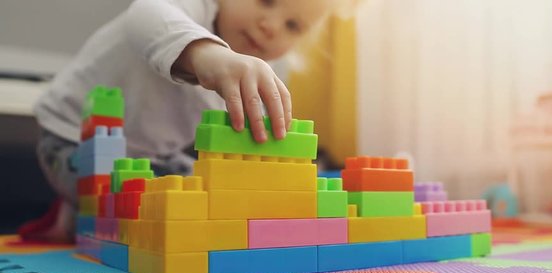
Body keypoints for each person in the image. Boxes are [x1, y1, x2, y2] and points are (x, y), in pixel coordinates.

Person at [22, 0, 355, 242]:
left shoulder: (259, 69)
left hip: (151, 157)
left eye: (292, 26)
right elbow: (147, 16)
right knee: (144, 211)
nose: (271, 25)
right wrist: (207, 55)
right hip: (70, 140)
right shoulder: (189, 7)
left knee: (198, 195)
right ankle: (76, 215)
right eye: (265, 0)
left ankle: (83, 215)